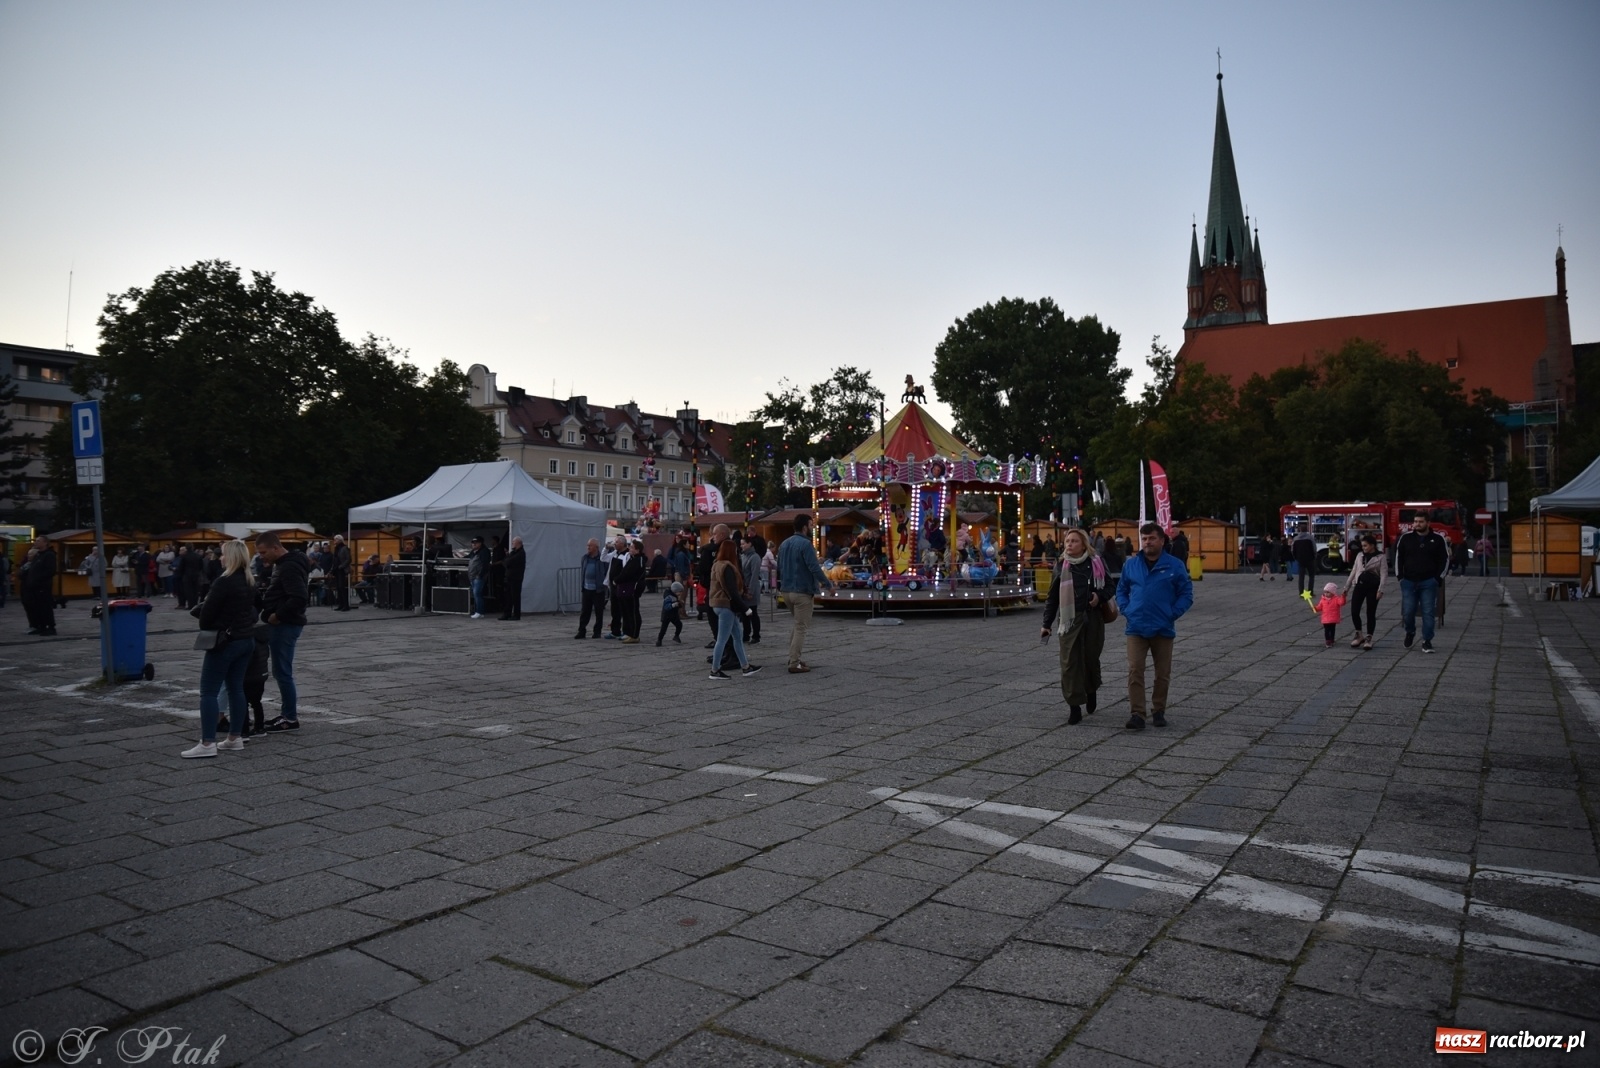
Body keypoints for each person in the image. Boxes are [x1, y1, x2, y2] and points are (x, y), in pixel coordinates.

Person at [181, 541, 259, 758]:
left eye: (223, 554)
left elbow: (205, 619)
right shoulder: (249, 580)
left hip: (225, 641)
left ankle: (207, 743)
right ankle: (235, 737)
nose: (220, 558)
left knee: (208, 691)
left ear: (231, 557)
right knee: (236, 688)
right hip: (246, 640)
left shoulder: (223, 582)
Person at [1117, 522, 1194, 730]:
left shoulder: (1175, 565)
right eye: (1144, 539)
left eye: (1151, 538)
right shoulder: (1131, 565)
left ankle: (1158, 710)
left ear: (1161, 540)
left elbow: (1186, 594)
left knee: (1162, 673)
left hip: (1163, 627)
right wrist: (1127, 609)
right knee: (1135, 670)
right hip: (1136, 627)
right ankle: (1137, 714)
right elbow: (1121, 590)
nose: (1147, 542)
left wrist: (1172, 613)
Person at [1041, 528, 1114, 725]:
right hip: (1069, 620)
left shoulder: (1096, 562)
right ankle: (1074, 706)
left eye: (1074, 541)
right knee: (1070, 662)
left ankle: (1091, 690)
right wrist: (1046, 623)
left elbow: (1110, 586)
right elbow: (1052, 596)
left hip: (1093, 619)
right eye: (1067, 541)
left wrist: (1099, 597)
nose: (1069, 544)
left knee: (1090, 659)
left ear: (1083, 544)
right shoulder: (1061, 565)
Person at [254, 530, 309, 732]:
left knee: (282, 672)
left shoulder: (289, 567)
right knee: (281, 671)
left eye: (263, 552)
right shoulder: (287, 564)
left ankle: (289, 717)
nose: (262, 557)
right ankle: (287, 714)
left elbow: (299, 597)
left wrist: (277, 615)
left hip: (285, 625)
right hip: (285, 623)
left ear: (275, 548)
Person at [778, 513, 834, 674]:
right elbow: (814, 567)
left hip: (787, 591)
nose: (812, 528)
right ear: (804, 527)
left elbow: (779, 568)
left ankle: (793, 657)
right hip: (802, 591)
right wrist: (828, 585)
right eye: (810, 525)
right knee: (801, 627)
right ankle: (794, 663)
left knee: (797, 625)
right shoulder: (806, 544)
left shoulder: (784, 544)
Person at [1395, 513, 1449, 653]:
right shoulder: (1405, 538)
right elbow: (1398, 558)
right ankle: (1410, 632)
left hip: (1429, 582)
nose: (1417, 524)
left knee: (1428, 612)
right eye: (1415, 521)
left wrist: (1438, 578)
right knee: (1408, 612)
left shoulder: (1437, 539)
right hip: (1408, 581)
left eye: (1420, 521)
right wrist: (1400, 577)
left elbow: (1444, 559)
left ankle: (1427, 641)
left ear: (1428, 523)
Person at [707, 541, 760, 679]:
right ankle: (715, 670)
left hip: (717, 604)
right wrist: (745, 608)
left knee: (737, 636)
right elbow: (732, 590)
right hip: (726, 606)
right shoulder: (728, 567)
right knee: (722, 639)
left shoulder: (716, 564)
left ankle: (745, 667)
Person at [1343, 534, 1385, 650]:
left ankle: (1369, 637)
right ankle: (1359, 634)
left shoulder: (1380, 557)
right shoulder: (1360, 555)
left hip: (1373, 587)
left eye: (1366, 546)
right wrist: (1347, 587)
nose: (1364, 548)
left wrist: (1380, 590)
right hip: (1359, 585)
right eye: (1362, 546)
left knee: (1370, 612)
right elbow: (1354, 570)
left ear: (1372, 545)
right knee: (1354, 611)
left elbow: (1383, 574)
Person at [21, 536, 57, 636]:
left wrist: (38, 579)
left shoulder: (49, 555)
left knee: (45, 607)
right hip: (33, 587)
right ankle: (40, 626)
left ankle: (50, 627)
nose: (36, 542)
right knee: (37, 608)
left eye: (38, 541)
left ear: (45, 543)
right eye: (35, 541)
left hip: (43, 587)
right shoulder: (38, 555)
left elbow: (50, 571)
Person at [574, 538, 607, 638]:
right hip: (586, 588)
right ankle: (581, 631)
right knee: (585, 611)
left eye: (590, 545)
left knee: (598, 612)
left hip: (598, 590)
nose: (588, 547)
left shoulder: (602, 559)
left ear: (596, 547)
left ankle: (597, 632)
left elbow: (605, 571)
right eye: (587, 545)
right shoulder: (585, 558)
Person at [617, 540, 645, 643]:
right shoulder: (633, 559)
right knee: (628, 612)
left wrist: (617, 579)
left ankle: (634, 635)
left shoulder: (638, 560)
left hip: (633, 589)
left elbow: (629, 573)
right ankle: (629, 632)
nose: (630, 549)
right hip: (628, 588)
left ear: (637, 550)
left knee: (633, 612)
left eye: (632, 547)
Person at [741, 535, 765, 645]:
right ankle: (746, 634)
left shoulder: (755, 557)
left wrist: (750, 591)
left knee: (753, 613)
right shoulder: (743, 556)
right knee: (744, 613)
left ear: (750, 544)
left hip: (751, 589)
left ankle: (756, 635)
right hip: (743, 589)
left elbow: (754, 575)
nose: (742, 546)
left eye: (743, 543)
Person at [1312, 582, 1346, 648]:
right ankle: (1328, 640)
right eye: (1325, 592)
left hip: (1333, 618)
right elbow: (1319, 607)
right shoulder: (1323, 600)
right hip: (1325, 619)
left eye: (1328, 592)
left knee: (1332, 629)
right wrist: (1315, 608)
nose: (1326, 594)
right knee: (1327, 630)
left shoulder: (1336, 599)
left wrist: (1343, 597)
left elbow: (1342, 603)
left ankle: (1332, 639)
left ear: (1333, 593)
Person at [499, 536, 526, 620]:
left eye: (513, 542)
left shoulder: (521, 553)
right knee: (508, 597)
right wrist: (507, 559)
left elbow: (508, 562)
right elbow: (505, 561)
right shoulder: (513, 552)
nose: (512, 543)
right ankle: (507, 613)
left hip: (516, 578)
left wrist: (507, 560)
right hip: (509, 577)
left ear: (518, 543)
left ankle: (516, 615)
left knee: (515, 597)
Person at [466, 535, 491, 619]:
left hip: (478, 577)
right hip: (472, 576)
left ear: (480, 543)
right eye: (472, 543)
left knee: (477, 594)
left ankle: (479, 611)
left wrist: (480, 575)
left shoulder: (484, 551)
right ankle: (478, 611)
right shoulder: (473, 552)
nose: (473, 544)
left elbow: (485, 565)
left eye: (475, 543)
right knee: (476, 594)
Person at [1291, 525, 1317, 596]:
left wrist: (1296, 557)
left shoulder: (1296, 539)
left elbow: (1293, 550)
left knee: (1301, 577)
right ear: (1307, 529)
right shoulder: (1310, 538)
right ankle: (1310, 591)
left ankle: (1301, 592)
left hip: (1300, 559)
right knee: (1311, 576)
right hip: (1310, 559)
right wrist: (1314, 556)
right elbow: (1314, 548)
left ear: (1300, 530)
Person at [657, 581, 685, 646]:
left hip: (674, 614)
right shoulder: (669, 597)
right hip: (667, 615)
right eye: (680, 592)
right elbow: (666, 607)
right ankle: (659, 640)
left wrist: (679, 603)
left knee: (679, 625)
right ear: (675, 591)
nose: (680, 594)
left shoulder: (674, 595)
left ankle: (676, 635)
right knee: (663, 629)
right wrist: (674, 605)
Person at [331, 534, 354, 611]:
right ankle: (340, 604)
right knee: (338, 587)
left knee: (342, 587)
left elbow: (349, 559)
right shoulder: (336, 549)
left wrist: (342, 566)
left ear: (340, 540)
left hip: (342, 570)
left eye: (336, 539)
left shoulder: (344, 548)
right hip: (337, 570)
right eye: (334, 540)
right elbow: (335, 560)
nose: (335, 541)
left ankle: (346, 605)